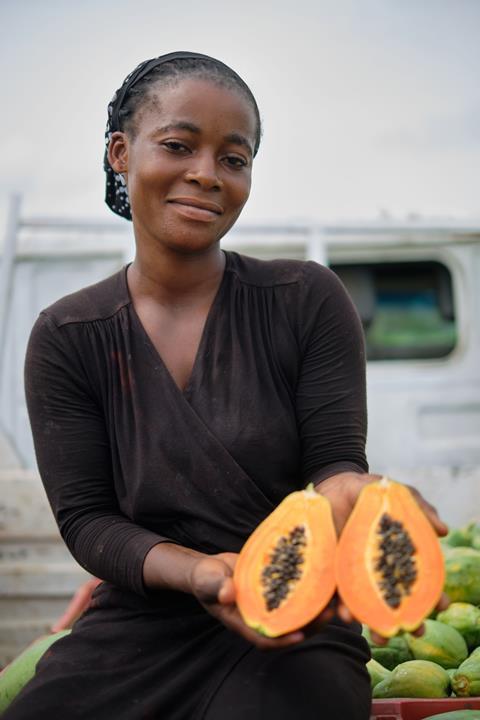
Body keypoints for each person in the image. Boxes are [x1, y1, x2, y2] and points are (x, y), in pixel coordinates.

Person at [4, 51, 448, 720]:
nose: (206, 175)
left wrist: (357, 497)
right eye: (180, 145)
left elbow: (334, 468)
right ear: (121, 153)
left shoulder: (305, 299)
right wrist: (201, 571)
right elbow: (88, 521)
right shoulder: (68, 334)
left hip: (299, 622)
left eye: (233, 159)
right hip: (138, 625)